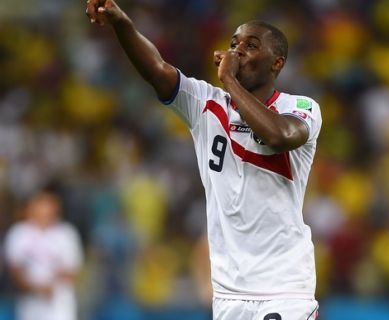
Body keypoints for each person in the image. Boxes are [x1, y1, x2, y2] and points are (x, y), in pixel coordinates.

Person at [86, 1, 322, 319]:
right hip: (228, 293)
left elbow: (278, 136)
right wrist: (122, 24)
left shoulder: (301, 107)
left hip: (284, 287)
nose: (237, 51)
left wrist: (231, 83)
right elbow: (157, 71)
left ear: (276, 63)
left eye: (251, 46)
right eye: (234, 44)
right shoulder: (205, 103)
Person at [4, 191, 83, 320]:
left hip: (58, 303)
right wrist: (35, 288)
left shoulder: (66, 233)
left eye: (46, 207)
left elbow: (72, 271)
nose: (42, 212)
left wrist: (49, 285)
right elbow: (14, 269)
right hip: (29, 304)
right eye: (38, 207)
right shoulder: (19, 232)